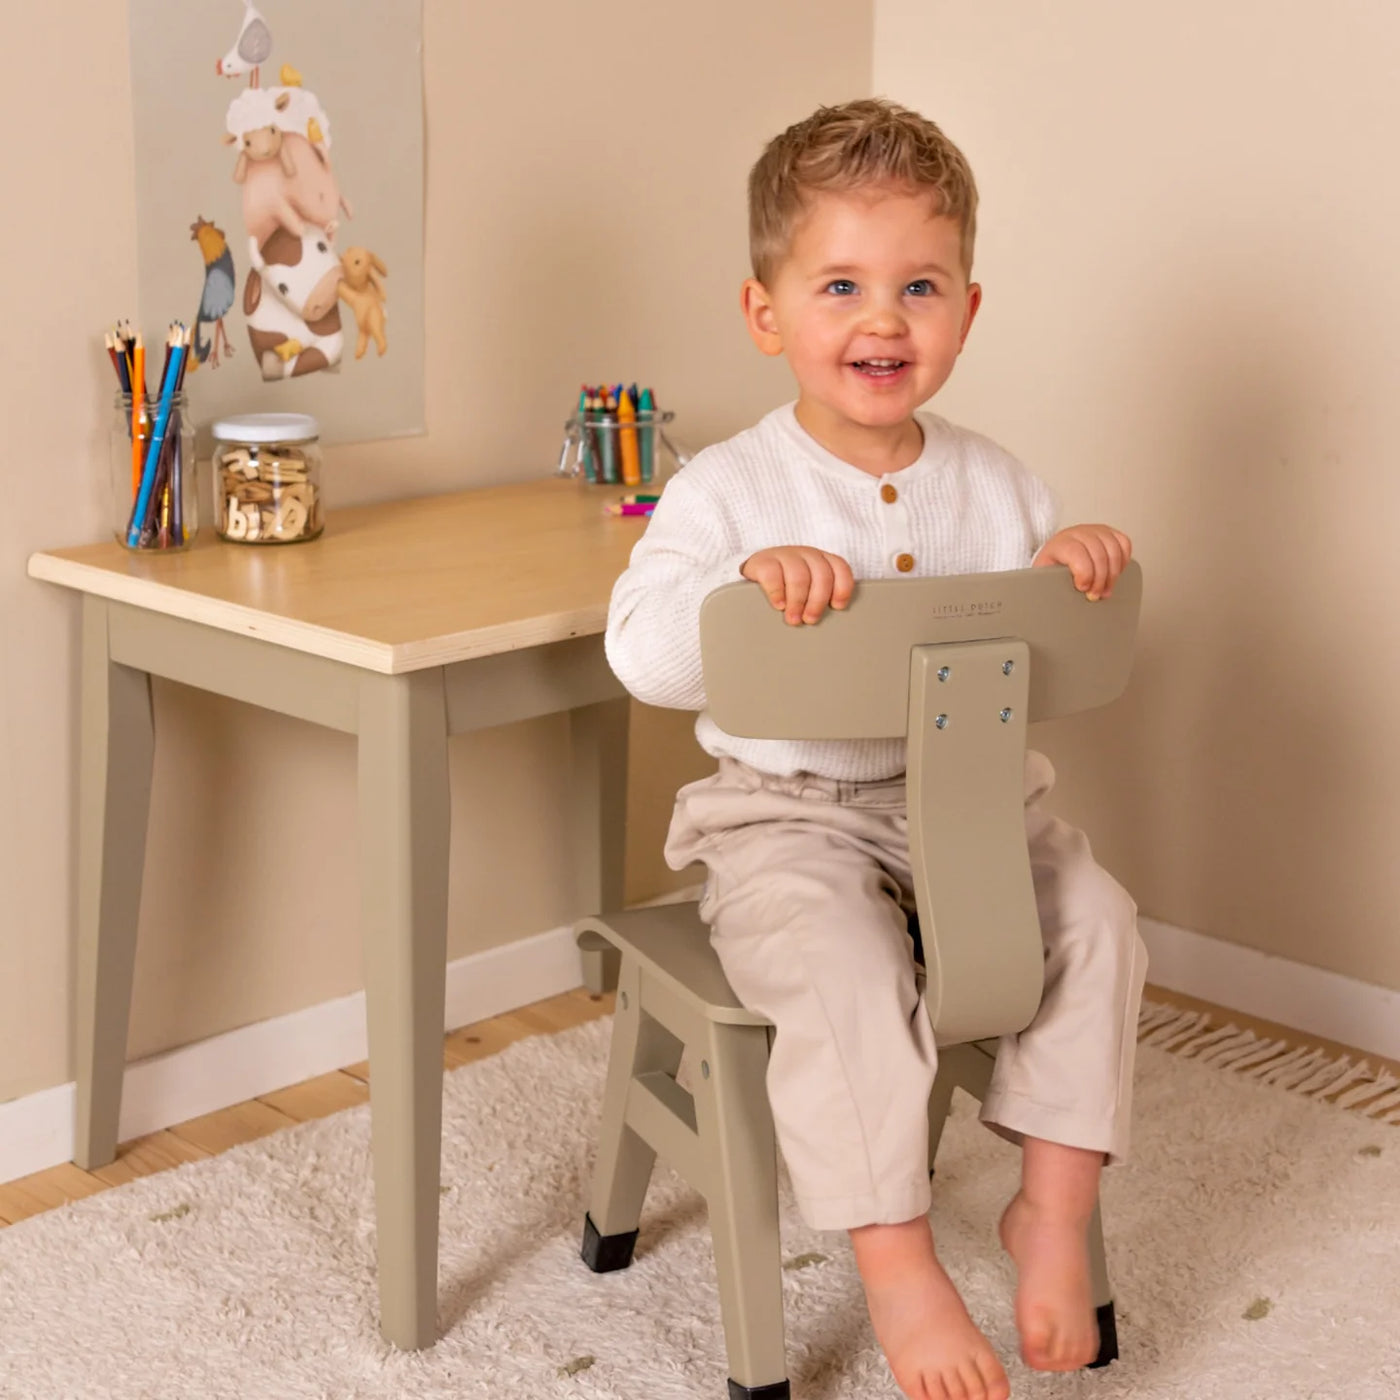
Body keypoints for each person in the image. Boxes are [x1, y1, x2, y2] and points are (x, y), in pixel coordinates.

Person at [605, 98, 1146, 1400]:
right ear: (767, 313)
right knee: (841, 973)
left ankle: (1053, 1205)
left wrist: (1069, 566)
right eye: (841, 285)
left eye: (921, 286)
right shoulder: (728, 488)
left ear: (967, 310)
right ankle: (897, 1261)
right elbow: (642, 654)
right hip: (786, 815)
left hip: (973, 808)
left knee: (1101, 923)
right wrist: (741, 587)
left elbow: (1040, 643)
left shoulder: (1001, 484)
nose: (884, 319)